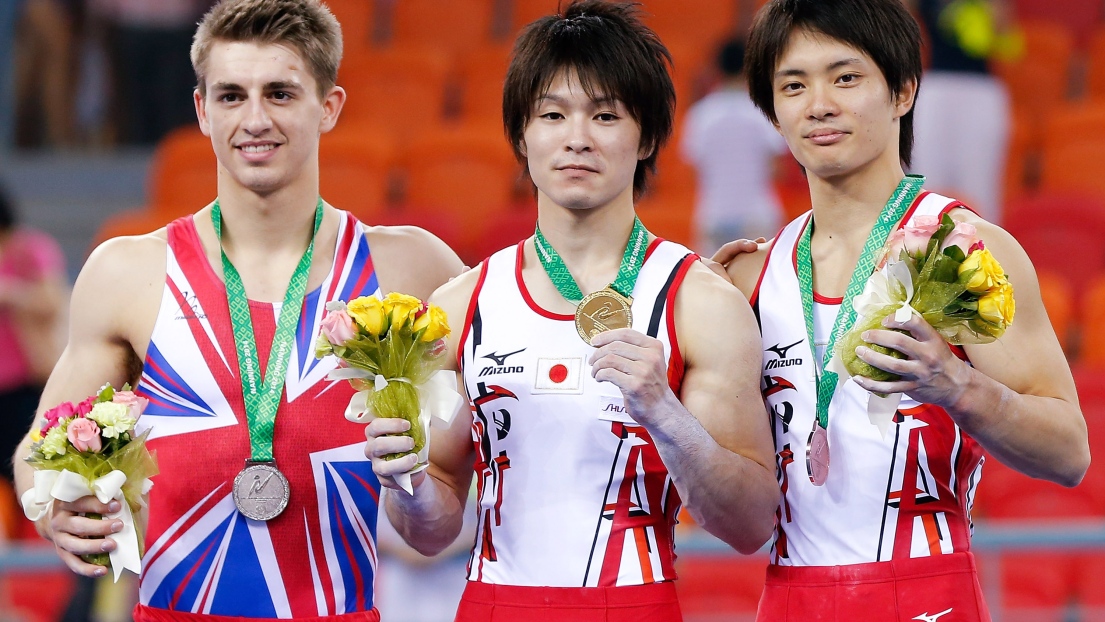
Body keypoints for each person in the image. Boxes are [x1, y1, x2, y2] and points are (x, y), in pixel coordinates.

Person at [11, 1, 463, 620]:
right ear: (201, 110)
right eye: (230, 96)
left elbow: (445, 514)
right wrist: (55, 508)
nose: (254, 119)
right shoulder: (129, 273)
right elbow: (37, 452)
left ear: (329, 107)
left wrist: (417, 496)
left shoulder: (412, 270)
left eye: (280, 94)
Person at [366, 2, 778, 620]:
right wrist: (407, 481)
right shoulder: (460, 307)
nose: (577, 137)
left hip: (637, 605)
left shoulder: (700, 302)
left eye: (605, 115)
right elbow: (430, 529)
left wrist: (665, 413)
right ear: (521, 136)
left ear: (646, 137)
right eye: (552, 114)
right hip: (492, 605)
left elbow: (750, 525)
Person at [712, 0, 1089, 619]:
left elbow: (1068, 452)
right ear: (773, 114)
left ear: (903, 91)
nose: (820, 104)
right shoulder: (750, 278)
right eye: (793, 85)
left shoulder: (963, 250)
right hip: (788, 600)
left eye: (846, 77)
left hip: (927, 594)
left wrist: (957, 384)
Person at [908, 0, 1013, 223]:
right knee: (928, 182)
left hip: (980, 90)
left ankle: (986, 251)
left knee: (979, 186)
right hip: (934, 89)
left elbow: (1003, 30)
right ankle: (921, 247)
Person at [680, 38, 788, 256]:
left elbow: (694, 170)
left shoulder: (701, 115)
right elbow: (777, 169)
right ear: (748, 67)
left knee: (713, 283)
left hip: (715, 215)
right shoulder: (762, 114)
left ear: (717, 67)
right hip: (756, 214)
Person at [0, 183, 68, 487]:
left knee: (30, 474)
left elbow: (52, 304)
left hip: (25, 382)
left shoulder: (30, 249)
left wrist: (11, 294)